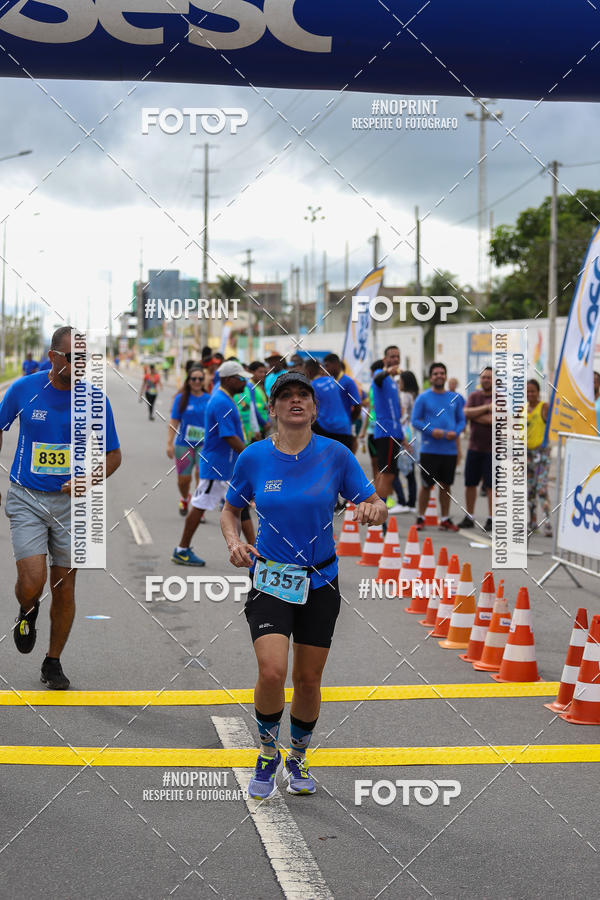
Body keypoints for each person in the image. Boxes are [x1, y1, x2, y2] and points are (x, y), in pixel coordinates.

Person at [221, 371, 387, 798]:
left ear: (314, 408)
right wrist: (234, 542)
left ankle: (297, 755)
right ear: (272, 408)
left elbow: (375, 503)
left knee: (308, 679)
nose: (295, 401)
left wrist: (374, 510)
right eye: (286, 396)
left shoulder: (336, 454)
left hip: (321, 580)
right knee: (272, 671)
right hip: (271, 578)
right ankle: (266, 752)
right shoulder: (254, 457)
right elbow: (230, 510)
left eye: (303, 396)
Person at [0, 326, 121, 689]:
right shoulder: (24, 389)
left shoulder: (95, 400)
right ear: (53, 356)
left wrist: (88, 480)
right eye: (73, 357)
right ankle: (28, 608)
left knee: (65, 587)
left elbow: (114, 456)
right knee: (33, 582)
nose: (81, 364)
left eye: (86, 358)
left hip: (73, 506)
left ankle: (52, 662)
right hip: (27, 498)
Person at [172, 360, 255, 565]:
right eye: (241, 378)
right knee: (200, 505)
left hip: (226, 466)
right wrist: (251, 456)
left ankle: (257, 553)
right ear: (228, 380)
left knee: (242, 507)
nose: (245, 382)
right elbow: (228, 436)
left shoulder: (224, 398)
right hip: (217, 468)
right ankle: (182, 549)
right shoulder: (221, 402)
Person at [411, 362, 465, 532]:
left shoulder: (455, 398)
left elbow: (461, 420)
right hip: (429, 449)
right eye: (435, 373)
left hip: (449, 450)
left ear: (446, 376)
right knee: (426, 485)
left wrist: (456, 432)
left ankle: (445, 519)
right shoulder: (423, 398)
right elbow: (415, 420)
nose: (439, 376)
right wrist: (432, 431)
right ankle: (421, 518)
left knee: (446, 486)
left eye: (442, 373)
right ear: (431, 377)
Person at [167, 365, 210, 516]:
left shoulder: (209, 399)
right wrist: (169, 443)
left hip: (204, 445)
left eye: (200, 379)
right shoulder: (181, 398)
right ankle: (185, 497)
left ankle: (198, 508)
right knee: (183, 480)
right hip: (184, 445)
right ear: (189, 381)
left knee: (201, 477)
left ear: (203, 381)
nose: (197, 381)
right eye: (194, 379)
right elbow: (174, 421)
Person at [371, 345, 409, 510]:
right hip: (386, 432)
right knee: (387, 474)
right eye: (392, 356)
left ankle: (377, 511)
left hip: (394, 432)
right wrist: (388, 371)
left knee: (388, 474)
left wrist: (402, 436)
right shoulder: (380, 375)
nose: (395, 359)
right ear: (385, 359)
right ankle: (378, 512)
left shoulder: (393, 382)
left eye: (397, 356)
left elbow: (396, 412)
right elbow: (377, 378)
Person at [458, 366, 493, 532]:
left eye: (489, 377)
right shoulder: (474, 396)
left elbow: (495, 420)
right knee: (470, 484)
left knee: (492, 486)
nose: (486, 380)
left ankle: (492, 518)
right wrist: (486, 409)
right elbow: (465, 413)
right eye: (484, 377)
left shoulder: (499, 398)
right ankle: (469, 516)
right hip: (474, 448)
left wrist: (475, 415)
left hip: (492, 450)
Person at [304, 358, 354, 450]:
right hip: (345, 427)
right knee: (344, 458)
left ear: (308, 371)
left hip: (327, 428)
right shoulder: (333, 380)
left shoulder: (311, 386)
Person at [527, 379, 552, 537]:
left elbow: (552, 424)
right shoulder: (522, 409)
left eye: (533, 391)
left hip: (541, 454)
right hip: (527, 454)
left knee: (541, 489)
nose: (530, 394)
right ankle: (532, 521)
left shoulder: (544, 407)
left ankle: (547, 523)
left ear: (538, 392)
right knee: (530, 489)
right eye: (527, 391)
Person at [396, 370, 420, 513]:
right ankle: (411, 502)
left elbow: (403, 416)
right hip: (414, 433)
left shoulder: (405, 396)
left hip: (405, 433)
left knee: (395, 469)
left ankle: (402, 501)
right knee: (411, 471)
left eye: (400, 381)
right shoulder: (416, 395)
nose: (399, 384)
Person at [248, 361, 269, 438]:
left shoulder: (258, 386)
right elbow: (253, 408)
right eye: (260, 372)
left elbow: (264, 405)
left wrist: (268, 421)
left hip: (263, 426)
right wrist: (264, 423)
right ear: (251, 372)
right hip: (257, 428)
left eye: (264, 372)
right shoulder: (249, 386)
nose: (263, 374)